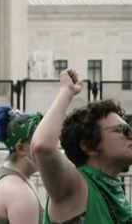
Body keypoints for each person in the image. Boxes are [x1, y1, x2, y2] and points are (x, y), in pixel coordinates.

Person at [31, 68, 132, 224]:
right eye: (123, 131)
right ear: (88, 145)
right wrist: (67, 91)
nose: (130, 136)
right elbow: (42, 146)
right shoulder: (75, 187)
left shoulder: (113, 189)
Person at [0, 106, 44, 224]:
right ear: (21, 148)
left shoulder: (1, 173)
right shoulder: (18, 192)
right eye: (40, 143)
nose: (47, 148)